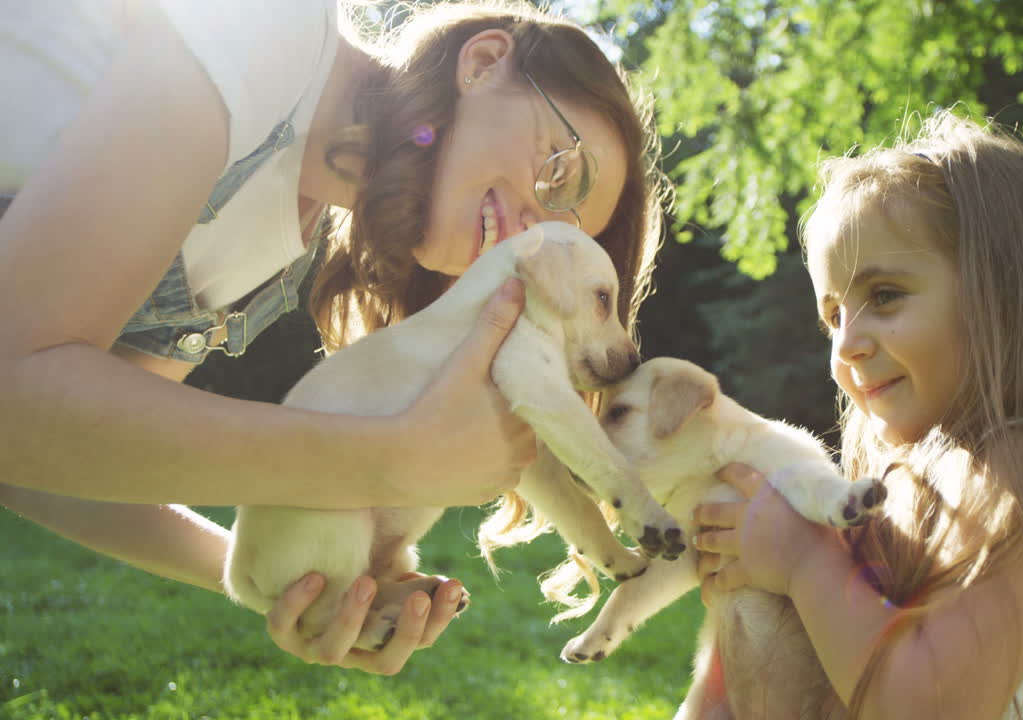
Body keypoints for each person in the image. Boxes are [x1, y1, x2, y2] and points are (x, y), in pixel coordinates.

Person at [0, 0, 665, 675]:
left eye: (563, 234)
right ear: (486, 62)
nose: (532, 232)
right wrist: (385, 458)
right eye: (560, 171)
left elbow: (59, 461)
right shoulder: (264, 28)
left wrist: (310, 585)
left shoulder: (289, 246)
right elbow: (12, 406)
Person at [693, 112, 1023, 718]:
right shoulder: (893, 490)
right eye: (833, 315)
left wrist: (804, 559)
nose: (846, 345)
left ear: (1002, 297)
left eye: (883, 295)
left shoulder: (1021, 462)